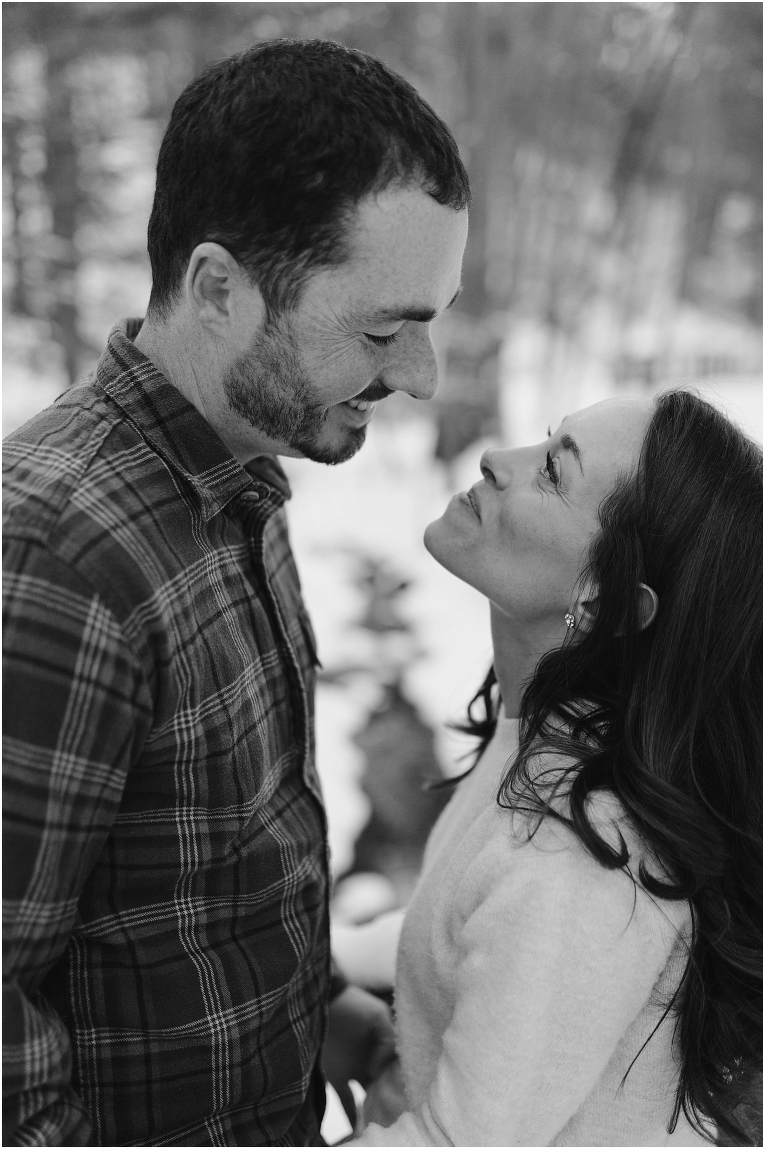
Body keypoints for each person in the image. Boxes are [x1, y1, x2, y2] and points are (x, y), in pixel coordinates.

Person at [3, 39, 468, 1146]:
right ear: (219, 288)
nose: (419, 378)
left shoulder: (239, 471)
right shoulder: (58, 559)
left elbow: (199, 882)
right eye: (381, 328)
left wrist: (317, 1016)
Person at [351, 391, 763, 1147]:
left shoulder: (580, 854)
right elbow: (469, 929)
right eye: (545, 441)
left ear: (604, 595)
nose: (494, 461)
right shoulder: (545, 741)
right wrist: (332, 978)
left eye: (551, 472)